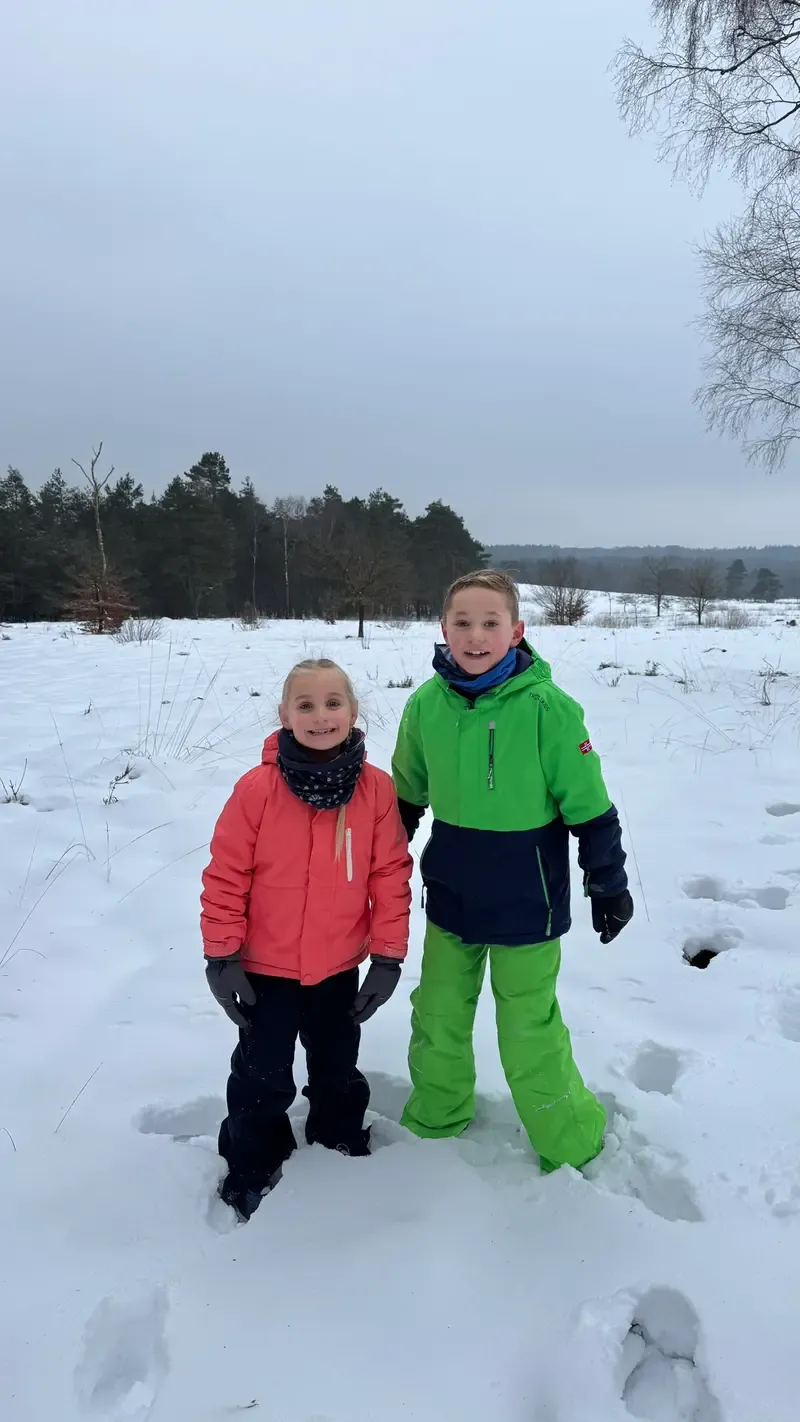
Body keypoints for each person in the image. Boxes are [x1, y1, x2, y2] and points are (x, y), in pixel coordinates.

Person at [392, 570, 633, 1173]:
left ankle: (570, 1138)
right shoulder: (425, 705)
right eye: (463, 623)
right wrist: (374, 874)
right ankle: (437, 1118)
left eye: (491, 623)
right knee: (438, 1011)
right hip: (451, 894)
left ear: (517, 630)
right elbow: (403, 800)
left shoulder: (548, 709)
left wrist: (608, 880)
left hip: (530, 899)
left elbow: (590, 806)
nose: (477, 636)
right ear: (444, 630)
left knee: (527, 1024)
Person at [201, 658, 412, 1221]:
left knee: (338, 1065)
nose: (321, 716)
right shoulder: (257, 790)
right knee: (262, 1071)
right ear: (284, 715)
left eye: (333, 703)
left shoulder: (375, 790)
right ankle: (253, 1157)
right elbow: (226, 874)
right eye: (306, 705)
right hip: (264, 969)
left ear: (353, 710)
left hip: (340, 965)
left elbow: (390, 873)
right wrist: (221, 955)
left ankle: (338, 1134)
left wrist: (388, 957)